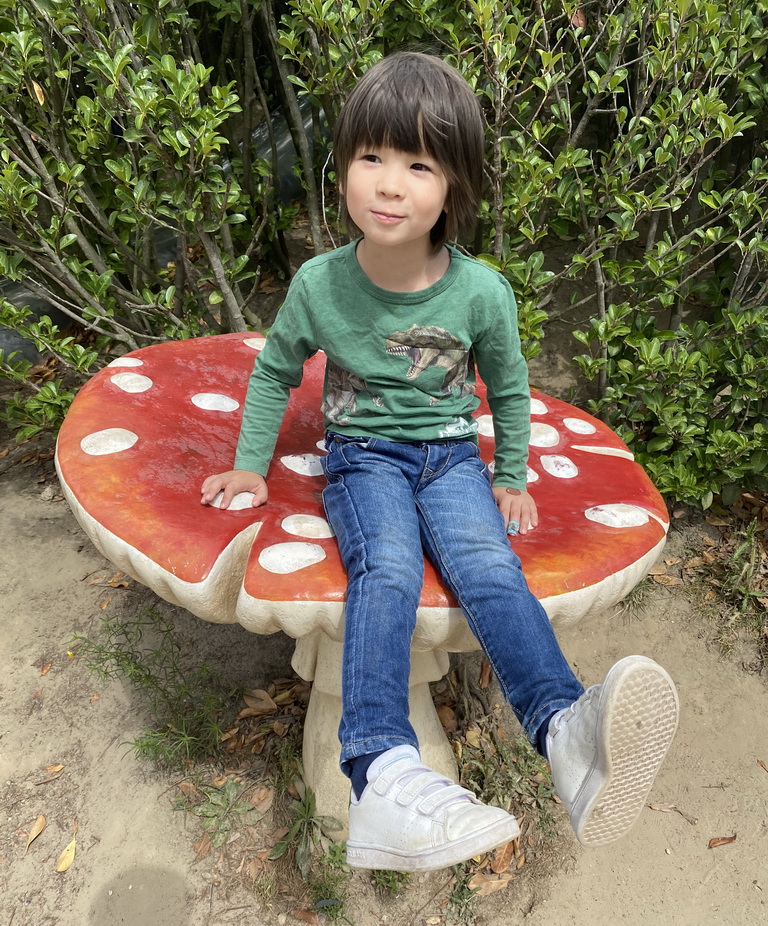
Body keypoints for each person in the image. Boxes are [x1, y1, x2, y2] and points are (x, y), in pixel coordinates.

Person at [200, 51, 679, 872]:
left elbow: (514, 391)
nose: (389, 184)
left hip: (453, 456)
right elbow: (278, 369)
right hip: (363, 459)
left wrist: (512, 474)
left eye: (418, 164)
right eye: (371, 158)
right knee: (383, 568)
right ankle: (381, 770)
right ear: (343, 168)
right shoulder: (320, 284)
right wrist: (252, 463)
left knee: (490, 569)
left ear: (453, 186)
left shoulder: (481, 292)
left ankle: (565, 734)